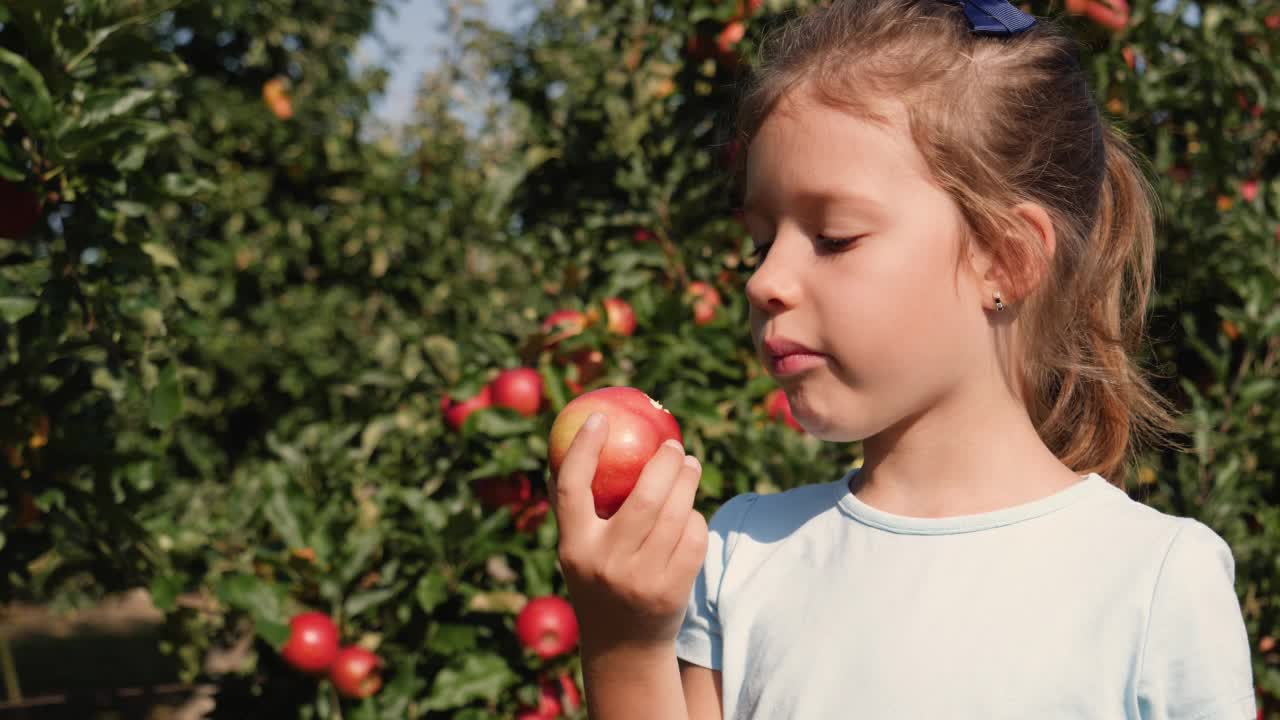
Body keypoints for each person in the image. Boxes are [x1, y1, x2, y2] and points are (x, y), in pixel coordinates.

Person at [545, 0, 1258, 718]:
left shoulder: (1155, 580)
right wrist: (625, 645)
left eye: (834, 236)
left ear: (1004, 262)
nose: (763, 280)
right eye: (762, 241)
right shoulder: (742, 552)